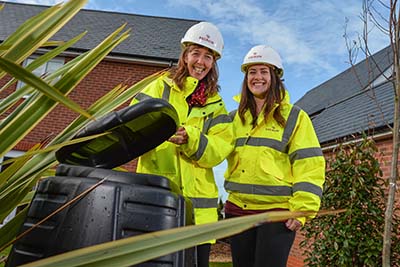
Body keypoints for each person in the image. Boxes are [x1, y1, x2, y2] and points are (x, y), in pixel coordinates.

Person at [130, 21, 233, 267]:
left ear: (213, 63)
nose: (201, 61)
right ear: (184, 55)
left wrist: (191, 139)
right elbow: (130, 128)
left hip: (200, 216)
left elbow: (219, 150)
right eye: (196, 53)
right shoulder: (157, 88)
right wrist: (159, 133)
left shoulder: (217, 105)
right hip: (157, 203)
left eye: (208, 56)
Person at [224, 45, 325, 267]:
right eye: (252, 72)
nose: (257, 77)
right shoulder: (233, 118)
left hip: (277, 214)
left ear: (275, 76)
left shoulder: (295, 117)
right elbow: (214, 150)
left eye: (263, 71)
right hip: (237, 211)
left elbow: (309, 165)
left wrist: (302, 209)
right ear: (245, 77)